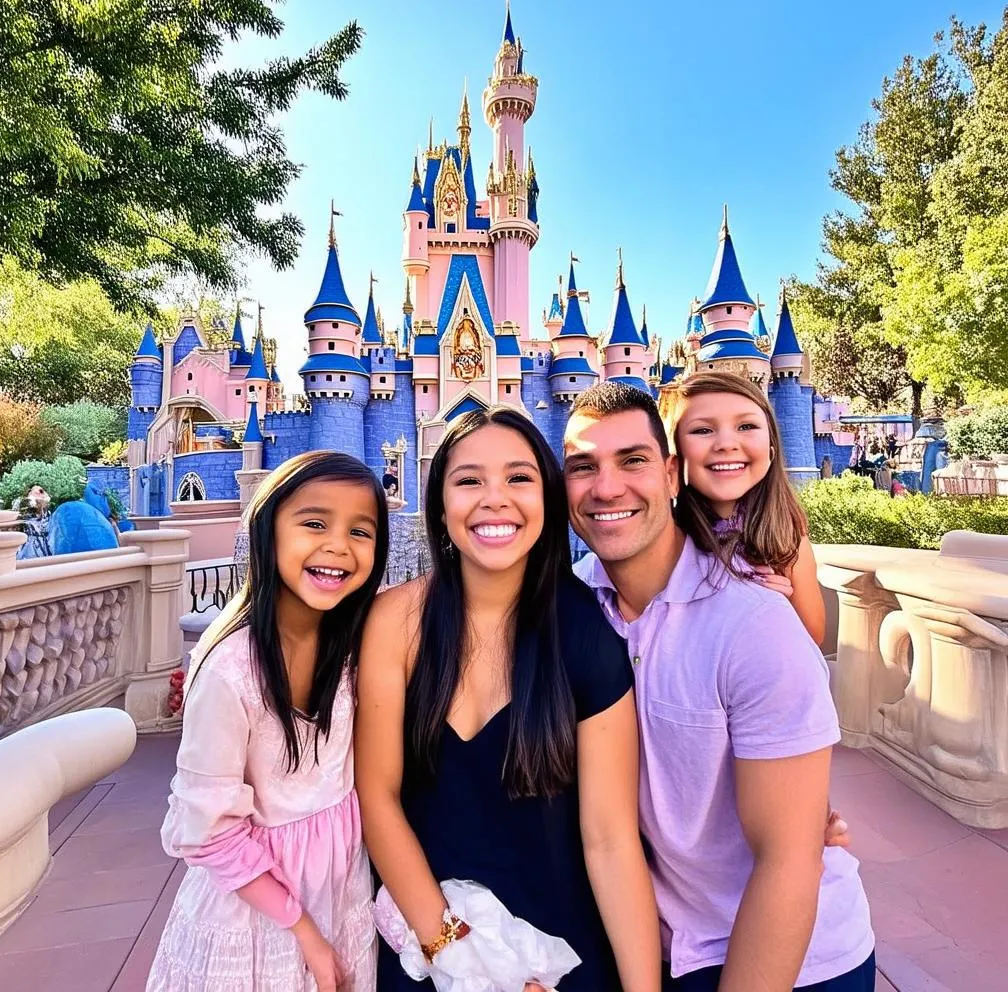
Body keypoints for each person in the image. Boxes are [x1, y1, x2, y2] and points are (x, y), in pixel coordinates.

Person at [564, 383, 875, 992]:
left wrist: (802, 804)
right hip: (651, 946)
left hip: (789, 959)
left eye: (633, 460)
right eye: (583, 466)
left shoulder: (754, 622)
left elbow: (788, 861)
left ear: (672, 475)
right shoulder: (569, 605)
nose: (606, 487)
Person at [356, 406, 662, 991]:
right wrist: (463, 960)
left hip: (556, 961)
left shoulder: (586, 638)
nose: (494, 498)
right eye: (469, 480)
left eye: (519, 478)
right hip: (432, 947)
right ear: (440, 505)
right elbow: (378, 798)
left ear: (547, 502)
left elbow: (611, 840)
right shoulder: (395, 622)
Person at [147, 451, 389, 991]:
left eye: (361, 530)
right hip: (259, 917)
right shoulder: (232, 671)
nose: (338, 546)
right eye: (313, 523)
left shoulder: (350, 647)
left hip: (340, 894)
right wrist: (302, 928)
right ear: (267, 529)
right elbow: (208, 832)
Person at [660, 373, 826, 646]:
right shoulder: (664, 539)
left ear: (771, 449)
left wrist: (775, 609)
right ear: (673, 456)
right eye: (703, 430)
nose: (727, 443)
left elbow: (812, 637)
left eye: (747, 426)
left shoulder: (785, 536)